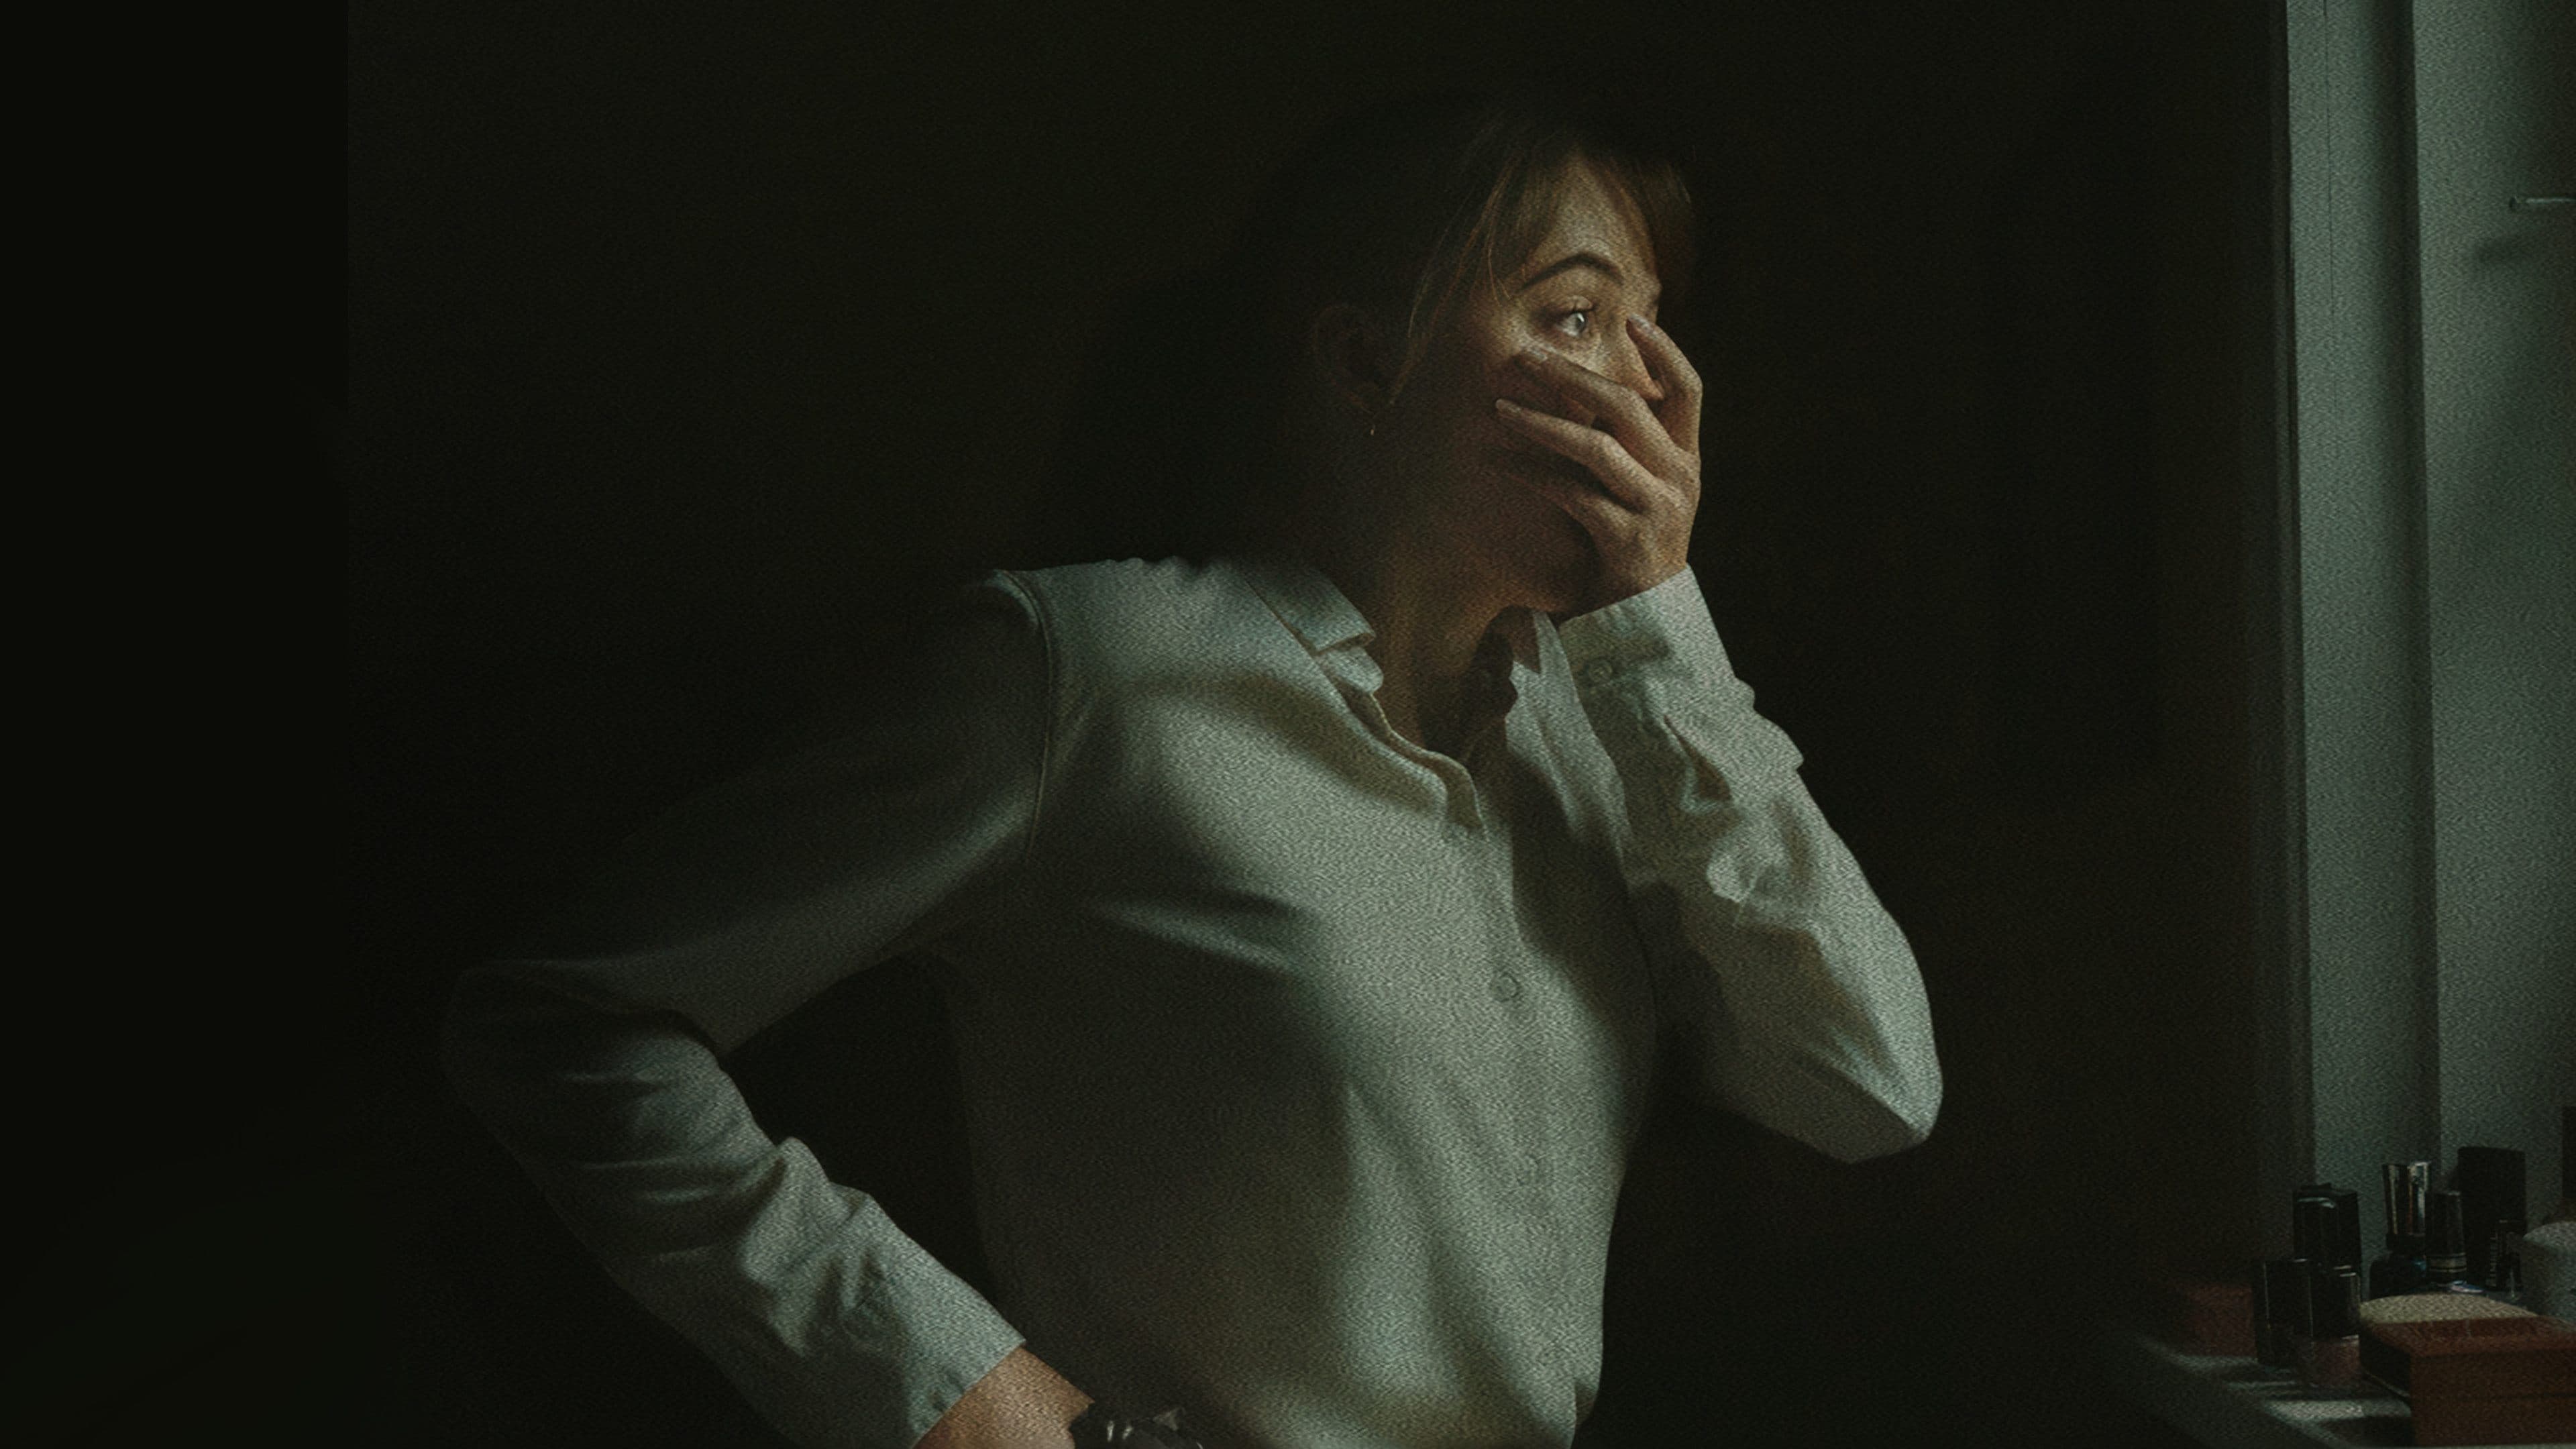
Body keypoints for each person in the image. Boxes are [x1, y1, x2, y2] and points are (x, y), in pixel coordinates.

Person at [445, 87, 1942, 1449]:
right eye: (1574, 317)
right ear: (1365, 359)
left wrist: (1660, 638)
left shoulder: (1603, 738)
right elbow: (566, 1022)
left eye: (1653, 331)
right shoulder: (1085, 675)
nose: (1652, 400)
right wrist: (955, 1382)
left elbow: (1868, 1084)